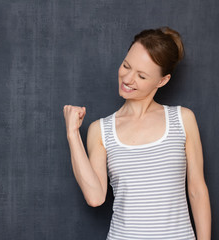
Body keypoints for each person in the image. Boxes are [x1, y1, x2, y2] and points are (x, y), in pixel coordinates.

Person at [63, 27, 211, 239]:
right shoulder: (100, 130)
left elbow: (197, 190)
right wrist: (72, 134)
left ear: (162, 81)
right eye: (126, 66)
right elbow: (95, 197)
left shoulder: (183, 119)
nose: (128, 79)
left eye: (141, 76)